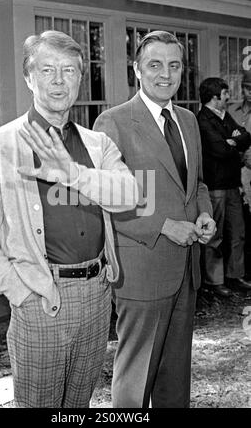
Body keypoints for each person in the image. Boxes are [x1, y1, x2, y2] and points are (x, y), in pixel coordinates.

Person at [0, 30, 138, 408]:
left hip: (96, 293)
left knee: (79, 403)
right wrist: (19, 291)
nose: (59, 80)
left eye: (69, 71)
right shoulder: (0, 145)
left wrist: (73, 173)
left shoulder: (97, 144)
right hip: (40, 297)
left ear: (80, 79)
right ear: (29, 78)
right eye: (47, 70)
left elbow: (130, 196)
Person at [93, 30, 215, 408]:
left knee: (174, 377)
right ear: (137, 70)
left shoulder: (188, 121)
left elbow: (194, 184)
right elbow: (105, 200)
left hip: (186, 271)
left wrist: (205, 213)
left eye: (174, 65)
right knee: (136, 380)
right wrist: (164, 225)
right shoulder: (112, 122)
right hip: (142, 273)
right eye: (155, 64)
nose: (166, 73)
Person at [197, 77, 251, 297]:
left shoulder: (225, 116)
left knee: (238, 232)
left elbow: (246, 137)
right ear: (214, 97)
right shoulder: (203, 120)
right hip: (215, 186)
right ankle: (214, 280)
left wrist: (233, 142)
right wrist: (232, 143)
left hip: (232, 184)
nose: (229, 97)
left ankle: (235, 274)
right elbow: (218, 150)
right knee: (215, 236)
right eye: (226, 94)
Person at [228, 70, 251, 280]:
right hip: (237, 173)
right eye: (247, 88)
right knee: (241, 224)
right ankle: (241, 272)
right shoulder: (232, 111)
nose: (250, 93)